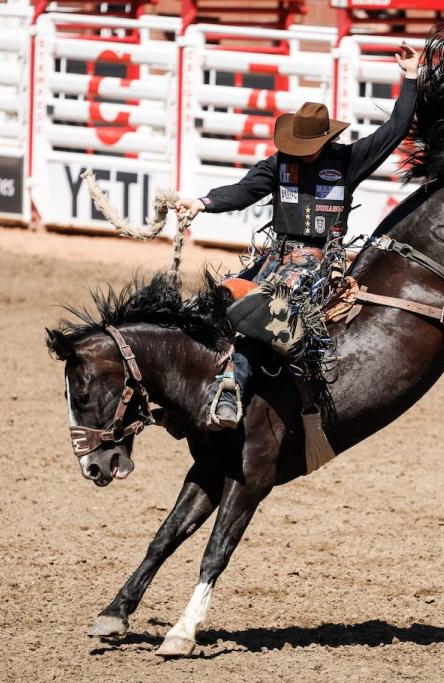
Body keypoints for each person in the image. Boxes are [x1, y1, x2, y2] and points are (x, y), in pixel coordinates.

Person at [177, 42, 420, 430]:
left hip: (320, 259)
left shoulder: (349, 160)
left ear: (325, 141)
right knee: (223, 298)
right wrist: (202, 202)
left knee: (259, 309)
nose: (301, 152)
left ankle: (231, 390)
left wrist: (410, 76)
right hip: (278, 252)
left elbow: (395, 128)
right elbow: (244, 190)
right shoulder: (279, 165)